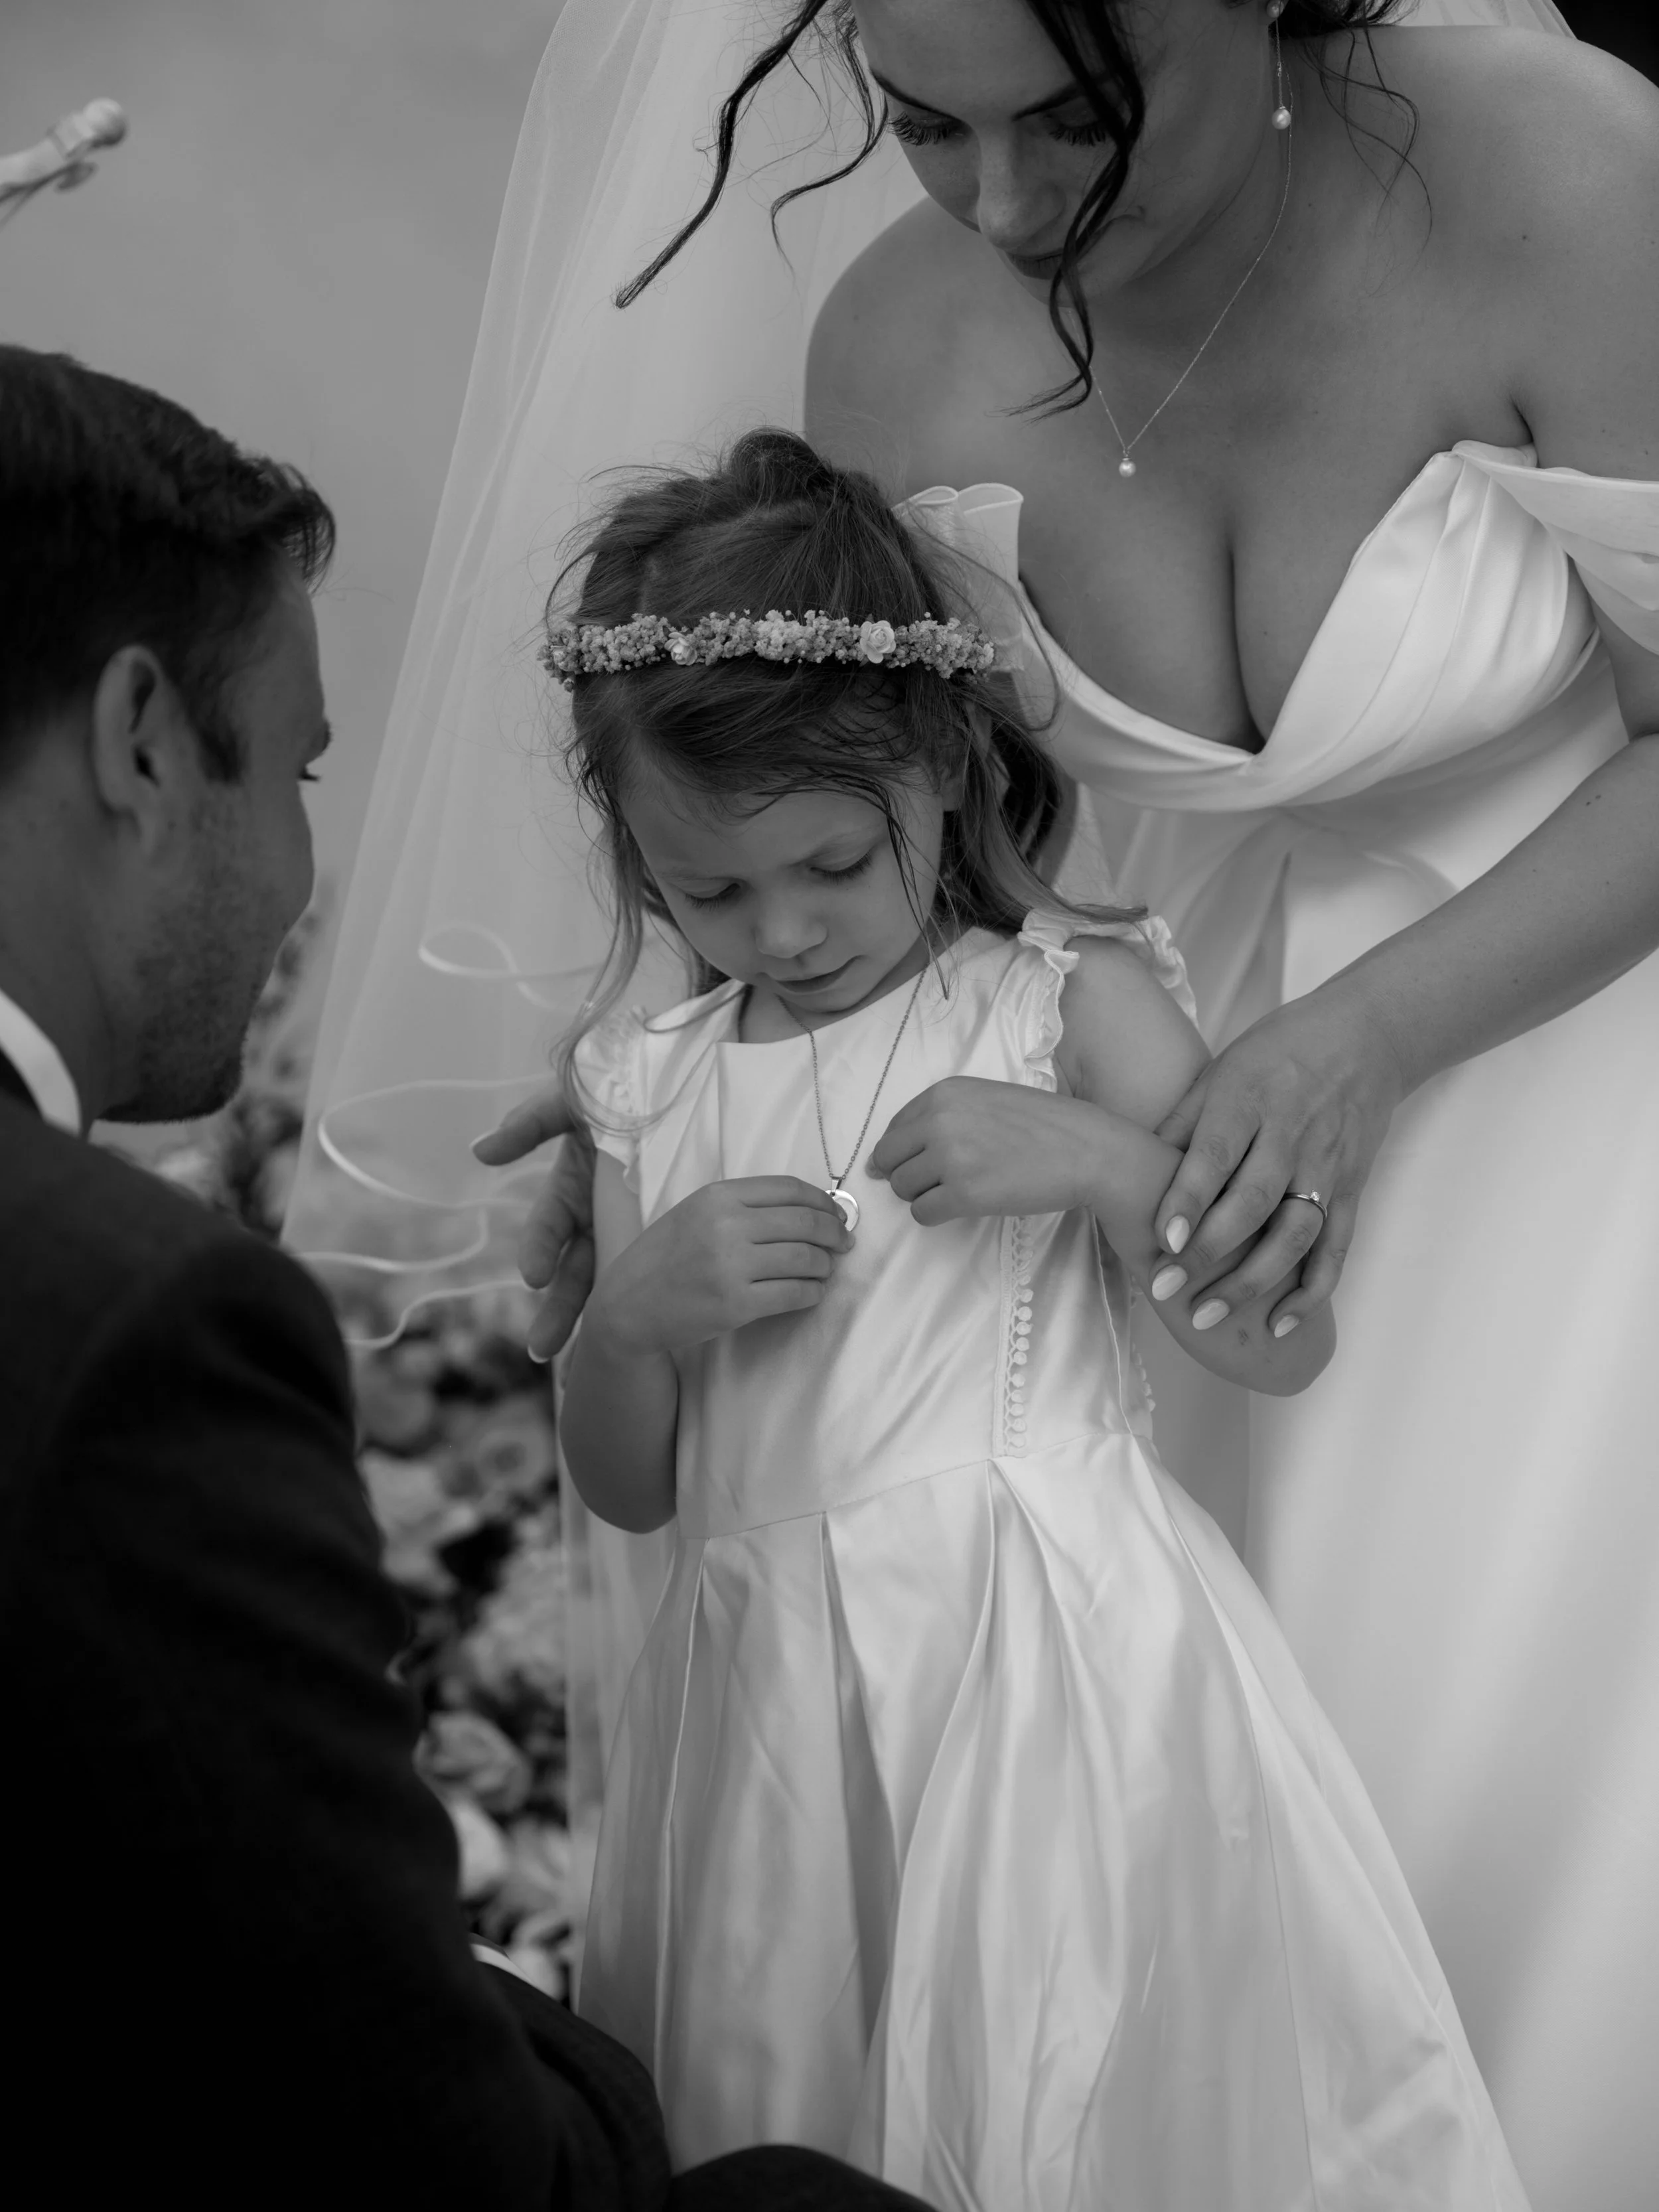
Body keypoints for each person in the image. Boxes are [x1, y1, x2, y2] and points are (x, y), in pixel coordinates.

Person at [292, 4, 1659, 2203]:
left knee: (1546, 1873)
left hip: (1579, 1124)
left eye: (1081, 122)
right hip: (1100, 1221)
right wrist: (680, 1081)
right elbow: (861, 815)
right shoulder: (893, 355)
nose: (1010, 208)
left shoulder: (1567, 177)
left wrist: (1360, 1039)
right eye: (926, 126)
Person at [540, 425, 1528, 2207]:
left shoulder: (1061, 1002)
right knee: (803, 2104)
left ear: (935, 766)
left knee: (1047, 2077)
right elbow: (632, 1491)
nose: (783, 930)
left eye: (831, 863)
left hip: (1042, 1666)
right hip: (772, 1710)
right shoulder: (647, 1082)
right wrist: (626, 1327)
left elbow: (1272, 1337)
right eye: (709, 890)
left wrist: (1090, 1159)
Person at [0, 346, 929, 2212]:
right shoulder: (115, 1323)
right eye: (305, 772)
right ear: (141, 739)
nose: (293, 882)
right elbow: (414, 2140)